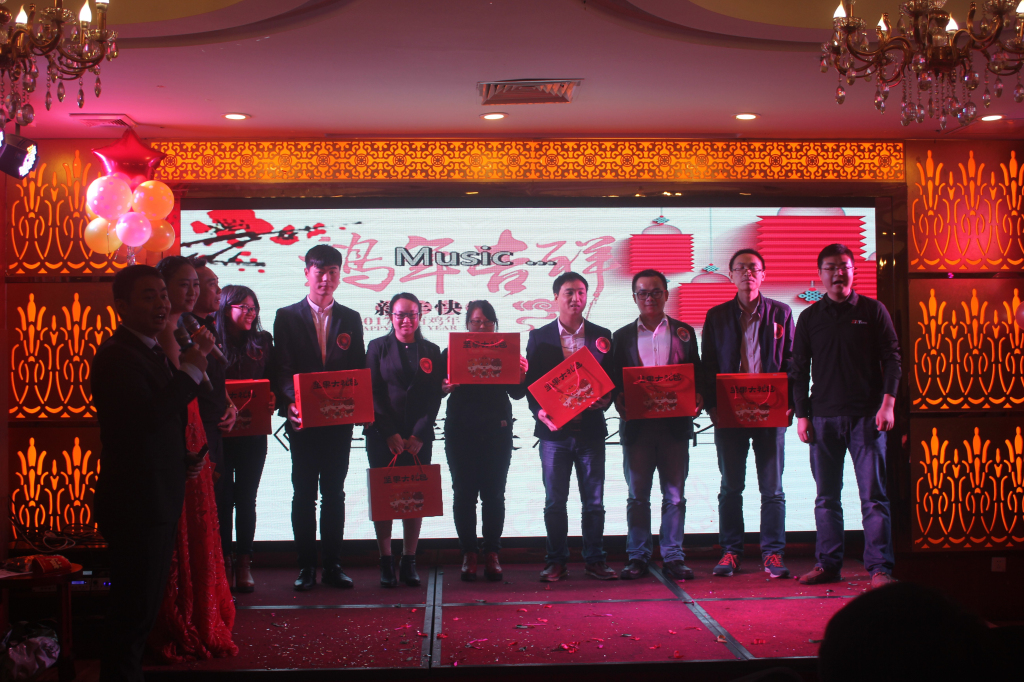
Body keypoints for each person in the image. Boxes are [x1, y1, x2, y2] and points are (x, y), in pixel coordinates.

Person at [92, 266, 211, 682]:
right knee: (131, 614)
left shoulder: (150, 350)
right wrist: (191, 370)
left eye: (163, 294)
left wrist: (182, 458)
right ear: (121, 306)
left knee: (140, 613)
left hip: (157, 495)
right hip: (135, 503)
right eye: (149, 296)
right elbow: (142, 420)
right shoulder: (117, 356)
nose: (162, 303)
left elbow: (156, 424)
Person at [792, 244, 900, 588]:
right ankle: (828, 564)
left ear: (854, 271)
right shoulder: (809, 317)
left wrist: (888, 404)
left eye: (844, 266)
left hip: (867, 417)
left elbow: (893, 359)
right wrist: (802, 415)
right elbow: (799, 369)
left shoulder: (873, 310)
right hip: (822, 418)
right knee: (826, 498)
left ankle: (879, 569)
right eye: (830, 267)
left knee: (874, 498)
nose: (838, 273)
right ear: (820, 274)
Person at [146, 256, 237, 663]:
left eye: (195, 285)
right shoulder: (166, 332)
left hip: (200, 424)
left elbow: (209, 378)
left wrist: (228, 402)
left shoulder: (188, 327)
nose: (192, 292)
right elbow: (180, 385)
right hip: (182, 431)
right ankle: (184, 611)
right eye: (184, 285)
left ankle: (202, 606)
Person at [273, 244, 366, 591]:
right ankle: (305, 567)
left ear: (339, 275)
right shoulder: (287, 316)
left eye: (332, 272)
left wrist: (362, 407)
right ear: (307, 274)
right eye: (319, 272)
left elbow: (358, 369)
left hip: (338, 423)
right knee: (303, 494)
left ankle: (333, 566)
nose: (325, 279)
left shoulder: (351, 318)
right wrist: (290, 401)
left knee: (334, 494)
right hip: (303, 422)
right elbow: (282, 368)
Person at [702, 249, 794, 579]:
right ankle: (731, 551)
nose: (747, 273)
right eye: (740, 268)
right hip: (731, 414)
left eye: (754, 268)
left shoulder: (782, 313)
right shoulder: (716, 316)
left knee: (772, 488)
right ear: (731, 275)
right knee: (731, 487)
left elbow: (792, 361)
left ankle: (773, 553)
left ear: (763, 274)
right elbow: (708, 364)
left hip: (770, 412)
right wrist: (713, 407)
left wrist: (791, 403)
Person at [610, 269, 703, 581]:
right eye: (643, 293)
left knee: (675, 495)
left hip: (674, 427)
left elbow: (696, 373)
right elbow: (613, 379)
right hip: (638, 428)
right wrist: (618, 398)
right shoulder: (621, 336)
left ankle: (673, 555)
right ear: (634, 297)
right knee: (638, 495)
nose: (649, 298)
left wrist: (698, 396)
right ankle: (637, 555)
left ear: (666, 294)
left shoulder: (684, 332)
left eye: (655, 292)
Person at [524, 271, 616, 582]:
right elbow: (532, 385)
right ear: (556, 297)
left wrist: (607, 399)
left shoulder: (602, 336)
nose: (575, 298)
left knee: (594, 502)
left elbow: (611, 380)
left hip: (591, 431)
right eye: (568, 292)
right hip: (555, 435)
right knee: (555, 502)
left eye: (580, 292)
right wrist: (539, 412)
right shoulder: (539, 337)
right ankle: (556, 561)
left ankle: (595, 560)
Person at [439, 301, 528, 581]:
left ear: (494, 325)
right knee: (463, 494)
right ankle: (469, 553)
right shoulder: (450, 352)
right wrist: (444, 387)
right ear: (467, 324)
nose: (481, 326)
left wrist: (521, 375)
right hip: (460, 431)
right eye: (476, 321)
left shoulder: (506, 350)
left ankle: (492, 553)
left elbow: (517, 394)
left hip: (496, 431)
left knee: (494, 494)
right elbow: (436, 389)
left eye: (487, 322)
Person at [365, 292, 444, 587]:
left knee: (414, 497)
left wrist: (419, 433)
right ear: (391, 317)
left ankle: (409, 560)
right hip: (382, 435)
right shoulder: (377, 347)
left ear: (420, 316)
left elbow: (434, 396)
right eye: (400, 315)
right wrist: (389, 432)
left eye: (412, 314)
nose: (406, 320)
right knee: (385, 497)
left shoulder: (431, 350)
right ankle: (386, 560)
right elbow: (372, 391)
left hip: (417, 439)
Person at [216, 285, 276, 593]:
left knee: (246, 499)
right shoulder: (211, 342)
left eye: (254, 308)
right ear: (226, 309)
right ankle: (223, 563)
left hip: (253, 434)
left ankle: (243, 564)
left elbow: (274, 380)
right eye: (244, 308)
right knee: (222, 499)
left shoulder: (263, 341)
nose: (251, 313)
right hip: (221, 433)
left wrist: (273, 398)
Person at [187, 257, 238, 584]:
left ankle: (217, 581)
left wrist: (230, 404)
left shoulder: (209, 327)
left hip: (215, 431)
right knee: (204, 510)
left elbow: (215, 380)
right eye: (209, 285)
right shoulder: (184, 331)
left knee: (221, 503)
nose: (218, 291)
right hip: (196, 436)